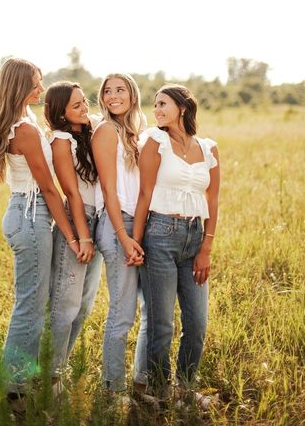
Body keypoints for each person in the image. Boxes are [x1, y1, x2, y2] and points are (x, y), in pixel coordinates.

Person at [0, 58, 80, 401]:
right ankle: (13, 388)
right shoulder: (23, 130)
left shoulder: (22, 121)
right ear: (20, 87)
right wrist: (71, 234)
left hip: (25, 213)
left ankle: (20, 382)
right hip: (31, 215)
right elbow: (48, 188)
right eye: (36, 84)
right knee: (30, 304)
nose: (41, 89)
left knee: (30, 301)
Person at [132, 84, 220, 403]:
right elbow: (144, 193)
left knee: (196, 323)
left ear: (182, 107)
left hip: (195, 237)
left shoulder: (208, 148)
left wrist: (206, 248)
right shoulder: (155, 141)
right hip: (159, 233)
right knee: (162, 323)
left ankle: (184, 389)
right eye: (154, 105)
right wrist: (136, 240)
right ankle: (158, 391)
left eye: (162, 104)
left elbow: (213, 198)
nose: (156, 110)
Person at [91, 73, 147, 396]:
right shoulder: (106, 131)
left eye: (120, 89)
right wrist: (124, 237)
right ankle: (112, 390)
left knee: (140, 312)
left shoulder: (134, 132)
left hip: (135, 225)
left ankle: (141, 383)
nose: (113, 96)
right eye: (108, 91)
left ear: (132, 95)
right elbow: (110, 192)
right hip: (116, 227)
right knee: (122, 313)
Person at [44, 81, 103, 389]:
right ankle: (50, 379)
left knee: (83, 306)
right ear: (61, 113)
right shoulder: (61, 139)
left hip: (97, 220)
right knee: (64, 305)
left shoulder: (88, 134)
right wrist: (83, 236)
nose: (85, 108)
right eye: (77, 106)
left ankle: (58, 370)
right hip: (78, 221)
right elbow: (71, 192)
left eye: (85, 102)